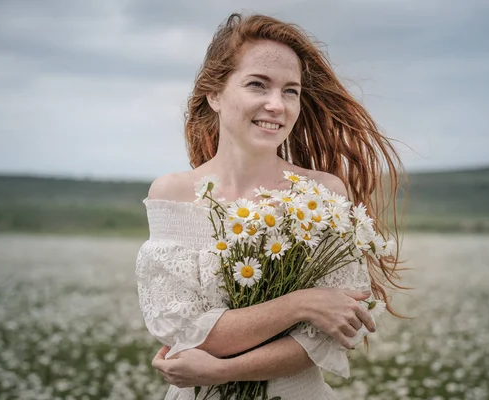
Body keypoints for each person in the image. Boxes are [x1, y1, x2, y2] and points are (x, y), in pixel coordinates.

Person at [135, 13, 404, 400]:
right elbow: (184, 332)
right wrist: (301, 303)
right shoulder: (172, 195)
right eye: (257, 85)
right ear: (215, 93)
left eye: (290, 91)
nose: (276, 105)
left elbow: (332, 335)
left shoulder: (323, 194)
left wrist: (224, 370)